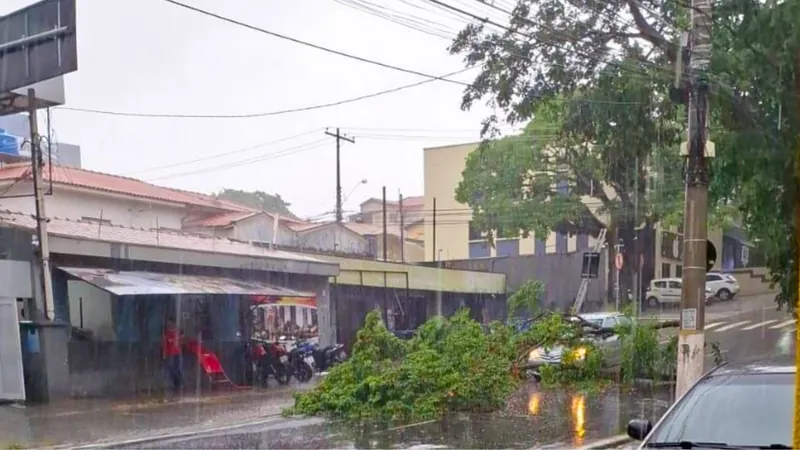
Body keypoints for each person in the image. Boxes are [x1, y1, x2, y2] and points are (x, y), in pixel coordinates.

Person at [162, 318, 183, 394]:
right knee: (171, 368)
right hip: (171, 354)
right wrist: (165, 354)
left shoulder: (177, 332)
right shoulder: (167, 334)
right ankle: (175, 382)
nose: (169, 325)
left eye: (171, 323)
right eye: (168, 324)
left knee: (178, 368)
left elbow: (181, 340)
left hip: (178, 353)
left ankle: (178, 383)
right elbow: (165, 345)